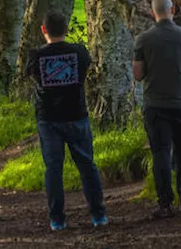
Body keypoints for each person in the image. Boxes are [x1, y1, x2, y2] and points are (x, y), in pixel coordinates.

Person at [25, 12, 107, 231]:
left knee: (53, 168)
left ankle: (57, 219)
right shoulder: (79, 52)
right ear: (67, 29)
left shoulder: (36, 55)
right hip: (77, 116)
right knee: (87, 166)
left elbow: (29, 75)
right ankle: (98, 215)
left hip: (48, 118)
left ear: (44, 30)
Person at [133, 0, 181, 218]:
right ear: (172, 10)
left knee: (161, 153)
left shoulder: (143, 40)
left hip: (155, 104)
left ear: (153, 12)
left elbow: (138, 74)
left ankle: (165, 203)